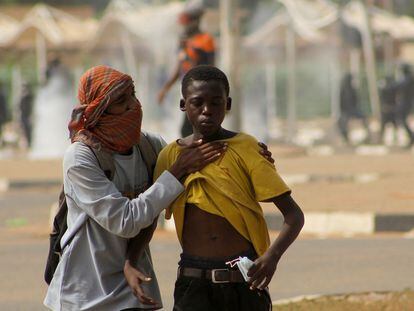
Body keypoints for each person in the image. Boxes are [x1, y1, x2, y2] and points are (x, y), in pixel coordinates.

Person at [43, 65, 228, 311]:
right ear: (100, 109)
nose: (133, 105)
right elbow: (125, 221)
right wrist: (176, 171)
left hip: (135, 285)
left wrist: (250, 153)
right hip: (87, 295)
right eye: (121, 100)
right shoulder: (81, 158)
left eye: (133, 94)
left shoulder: (149, 146)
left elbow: (199, 163)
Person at [150, 65, 305, 310]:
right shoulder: (171, 156)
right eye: (197, 102)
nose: (207, 111)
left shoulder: (246, 148)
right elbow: (148, 212)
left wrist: (272, 257)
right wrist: (131, 260)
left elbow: (294, 215)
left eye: (216, 103)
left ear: (228, 104)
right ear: (183, 105)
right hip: (193, 282)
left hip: (244, 280)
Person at [158, 1, 215, 137]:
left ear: (196, 21)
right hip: (190, 92)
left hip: (202, 91)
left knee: (193, 129)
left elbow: (209, 69)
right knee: (188, 130)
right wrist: (165, 88)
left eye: (187, 21)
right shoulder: (184, 41)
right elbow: (180, 68)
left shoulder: (205, 40)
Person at [337, 73, 371, 144]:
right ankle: (346, 139)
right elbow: (341, 102)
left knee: (364, 118)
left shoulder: (352, 89)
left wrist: (355, 109)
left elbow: (356, 101)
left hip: (353, 110)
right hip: (345, 111)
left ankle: (368, 136)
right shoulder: (343, 90)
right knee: (341, 123)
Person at [395, 64, 414, 147]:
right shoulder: (408, 79)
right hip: (405, 102)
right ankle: (411, 137)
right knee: (401, 120)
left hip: (406, 102)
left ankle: (412, 137)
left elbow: (399, 86)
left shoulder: (409, 79)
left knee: (402, 119)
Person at [379, 76, 398, 144]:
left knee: (392, 124)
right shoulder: (388, 89)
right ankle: (381, 138)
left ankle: (394, 138)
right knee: (386, 124)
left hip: (390, 109)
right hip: (388, 108)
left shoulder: (387, 89)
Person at [19, 82, 34, 147]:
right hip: (23, 115)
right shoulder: (22, 96)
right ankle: (28, 142)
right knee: (24, 129)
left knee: (28, 130)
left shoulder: (28, 96)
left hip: (28, 116)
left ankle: (30, 142)